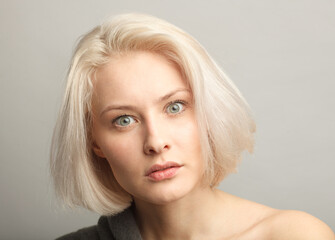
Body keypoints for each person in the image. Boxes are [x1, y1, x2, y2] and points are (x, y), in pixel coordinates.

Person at [50, 13, 334, 240]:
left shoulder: (294, 235)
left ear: (209, 113)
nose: (156, 142)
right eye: (124, 120)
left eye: (175, 107)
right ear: (95, 142)